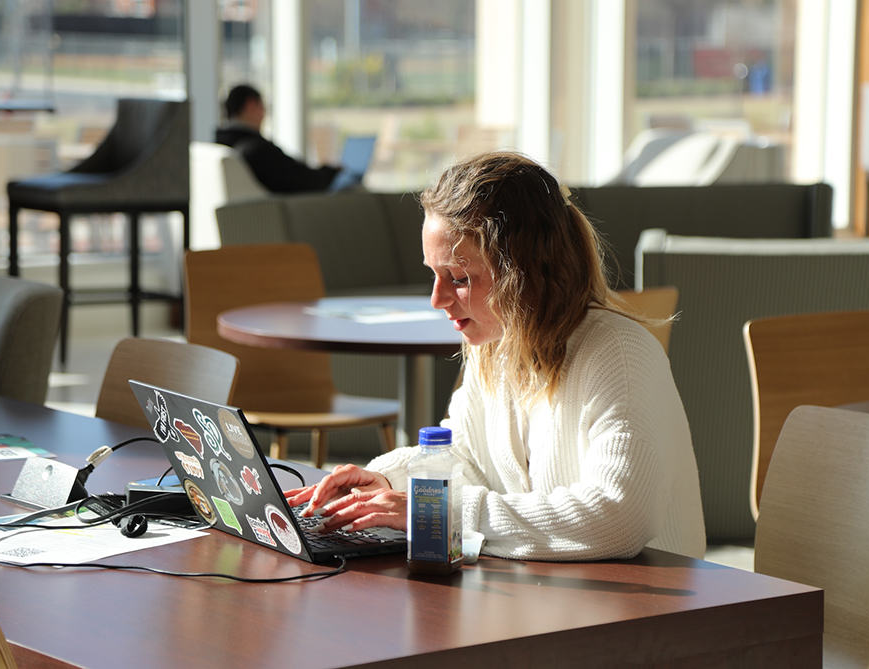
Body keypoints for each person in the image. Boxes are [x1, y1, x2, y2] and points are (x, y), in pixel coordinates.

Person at [285, 151, 706, 561]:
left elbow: (619, 516)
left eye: (460, 278)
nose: (437, 299)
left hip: (652, 616)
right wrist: (385, 480)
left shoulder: (620, 353)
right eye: (433, 274)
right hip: (563, 600)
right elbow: (467, 457)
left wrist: (437, 510)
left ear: (524, 273)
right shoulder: (496, 347)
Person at [216, 84, 341, 193]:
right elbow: (301, 181)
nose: (264, 116)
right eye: (263, 108)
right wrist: (330, 172)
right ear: (251, 105)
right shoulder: (256, 149)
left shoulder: (220, 144)